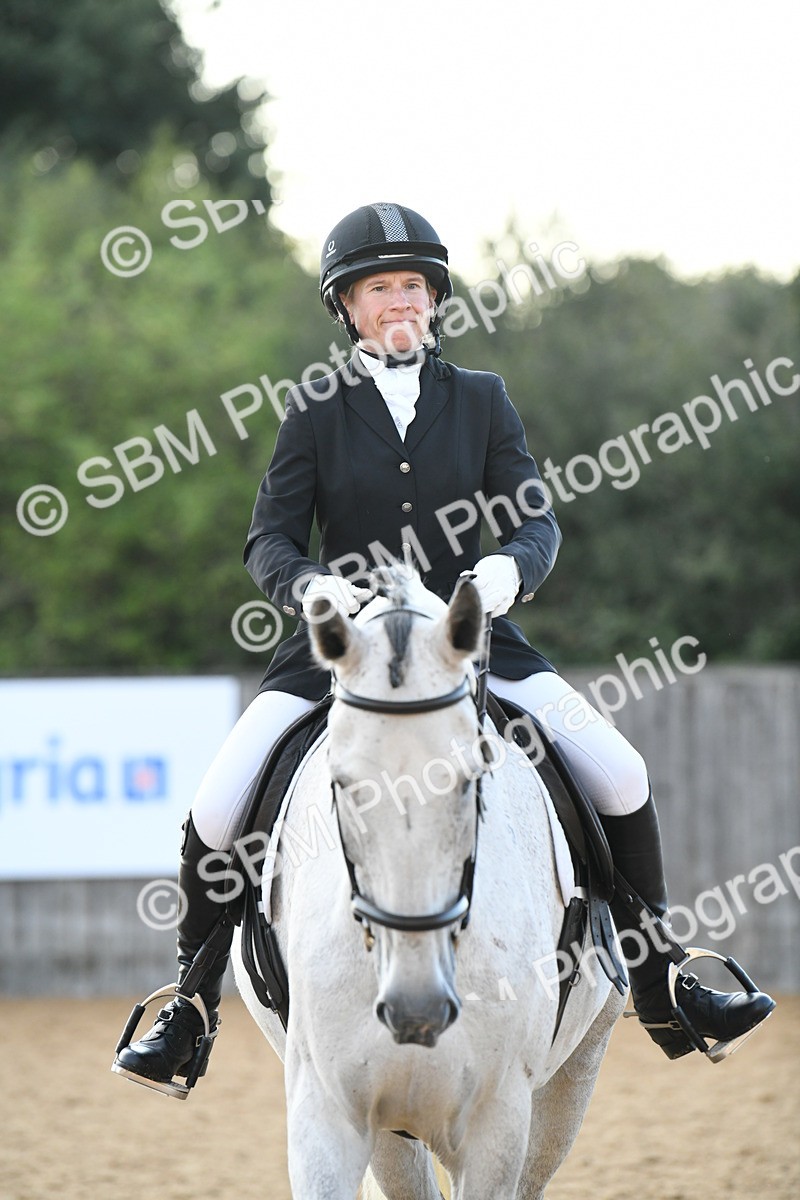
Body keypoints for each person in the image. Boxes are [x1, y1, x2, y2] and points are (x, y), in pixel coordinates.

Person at [113, 202, 774, 1095]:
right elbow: (268, 538)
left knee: (619, 772)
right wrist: (311, 587)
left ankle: (663, 978)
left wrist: (501, 577)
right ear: (346, 305)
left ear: (435, 300)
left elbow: (534, 519)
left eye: (414, 286)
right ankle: (190, 1005)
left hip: (472, 646)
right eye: (380, 287)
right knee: (219, 801)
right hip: (336, 654)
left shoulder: (483, 398)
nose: (400, 302)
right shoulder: (314, 411)